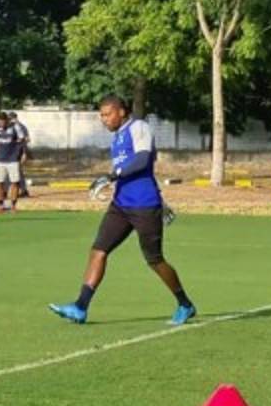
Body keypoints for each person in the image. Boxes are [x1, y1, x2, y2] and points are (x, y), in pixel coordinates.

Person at [49, 96, 196, 325]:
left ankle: (185, 304)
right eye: (101, 115)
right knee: (99, 250)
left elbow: (142, 160)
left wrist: (112, 176)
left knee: (154, 260)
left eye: (108, 114)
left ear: (122, 112)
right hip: (120, 205)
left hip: (144, 205)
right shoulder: (117, 138)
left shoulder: (139, 127)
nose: (103, 119)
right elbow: (128, 168)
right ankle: (80, 307)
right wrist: (111, 179)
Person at [0, 112, 23, 213]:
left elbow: (21, 141)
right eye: (0, 121)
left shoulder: (15, 128)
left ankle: (13, 205)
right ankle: (1, 205)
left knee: (15, 182)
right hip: (0, 160)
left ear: (7, 120)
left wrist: (20, 155)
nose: (2, 123)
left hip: (12, 159)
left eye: (3, 121)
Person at [9, 111, 31, 197]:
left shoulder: (20, 127)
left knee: (15, 172)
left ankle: (22, 190)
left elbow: (26, 140)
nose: (11, 120)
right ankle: (23, 190)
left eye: (12, 118)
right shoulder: (11, 127)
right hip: (12, 152)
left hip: (18, 152)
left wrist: (24, 153)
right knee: (17, 171)